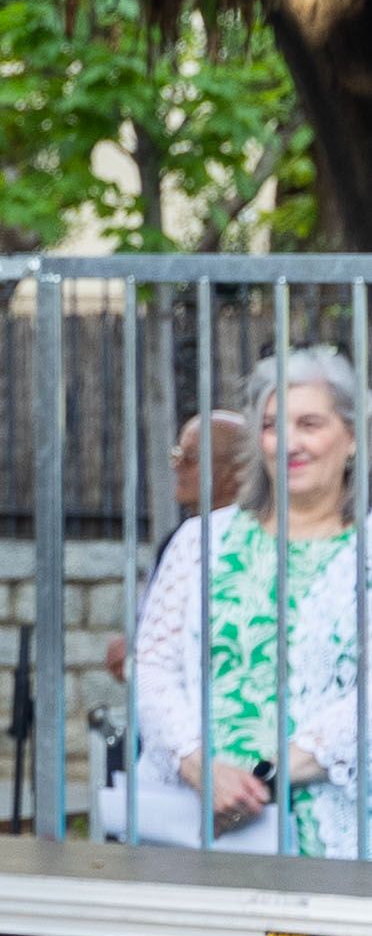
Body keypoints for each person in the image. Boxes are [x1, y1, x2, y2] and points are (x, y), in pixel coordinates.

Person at [127, 352, 362, 859]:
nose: (290, 443)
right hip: (191, 820)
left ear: (353, 438)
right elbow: (153, 666)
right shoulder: (199, 542)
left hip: (335, 839)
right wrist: (196, 764)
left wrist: (264, 777)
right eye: (274, 426)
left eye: (310, 424)